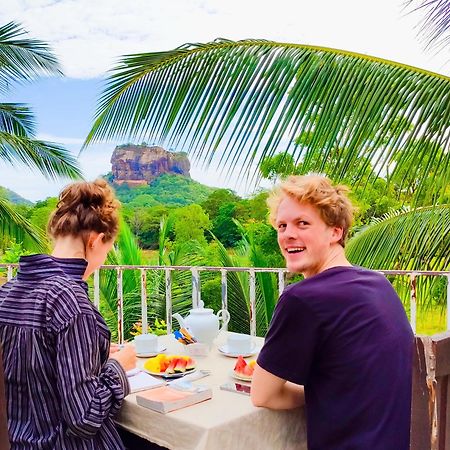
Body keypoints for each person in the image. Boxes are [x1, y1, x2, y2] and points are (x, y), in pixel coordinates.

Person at [251, 175, 413, 450]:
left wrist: (314, 390)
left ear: (335, 232)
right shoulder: (379, 283)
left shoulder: (302, 298)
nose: (288, 234)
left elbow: (263, 395)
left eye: (303, 223)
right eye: (282, 225)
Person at [0, 179, 136, 449]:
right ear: (96, 241)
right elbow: (84, 417)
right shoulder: (71, 301)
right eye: (107, 252)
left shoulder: (8, 292)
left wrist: (94, 354)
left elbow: (36, 367)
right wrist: (119, 364)